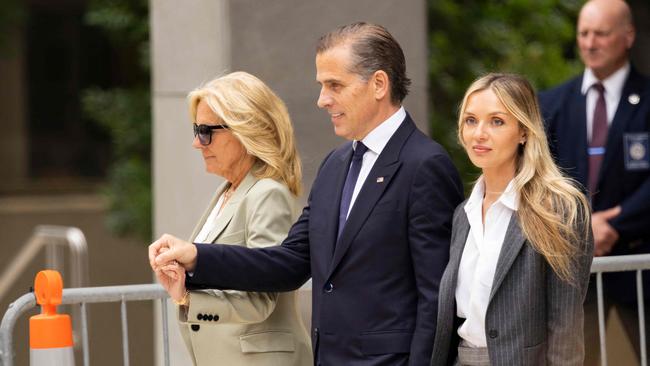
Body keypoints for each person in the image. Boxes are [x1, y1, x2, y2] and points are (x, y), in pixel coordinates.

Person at [150, 22, 463, 366]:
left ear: (378, 84)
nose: (322, 100)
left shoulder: (425, 164)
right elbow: (288, 263)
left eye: (334, 85)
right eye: (321, 86)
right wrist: (197, 257)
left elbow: (435, 297)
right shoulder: (336, 165)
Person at [431, 73, 594, 366]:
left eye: (497, 121)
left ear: (523, 131)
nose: (479, 133)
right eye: (471, 120)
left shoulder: (560, 210)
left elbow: (565, 329)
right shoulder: (462, 216)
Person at [150, 71, 312, 365]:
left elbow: (262, 297)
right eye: (196, 130)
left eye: (206, 131)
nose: (197, 143)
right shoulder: (228, 191)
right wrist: (184, 289)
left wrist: (191, 298)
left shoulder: (267, 194)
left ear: (245, 130)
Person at [538, 0, 650, 362]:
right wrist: (582, 227)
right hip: (576, 275)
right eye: (583, 33)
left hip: (640, 265)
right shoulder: (551, 104)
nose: (590, 42)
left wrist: (615, 224)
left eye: (601, 33)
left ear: (628, 36)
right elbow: (539, 176)